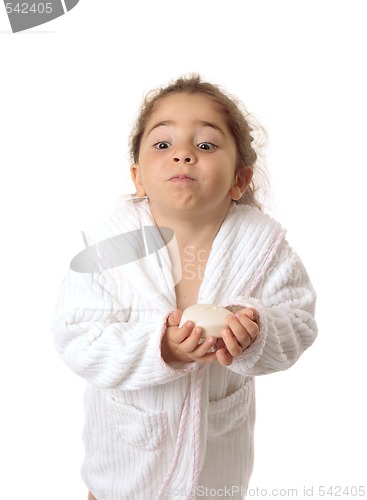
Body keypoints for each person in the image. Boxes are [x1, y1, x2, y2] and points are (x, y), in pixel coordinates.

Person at [52, 74, 317, 500]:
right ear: (138, 177)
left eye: (206, 145)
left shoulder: (265, 247)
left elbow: (299, 323)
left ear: (239, 179)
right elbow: (77, 335)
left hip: (215, 468)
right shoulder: (108, 248)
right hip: (124, 465)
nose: (183, 155)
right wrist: (160, 348)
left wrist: (257, 330)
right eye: (163, 144)